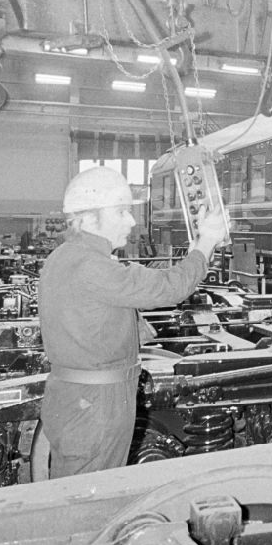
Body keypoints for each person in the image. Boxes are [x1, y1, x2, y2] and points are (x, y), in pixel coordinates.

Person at [39, 166, 228, 478]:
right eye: (121, 211)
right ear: (86, 218)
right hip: (97, 405)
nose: (131, 220)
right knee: (89, 499)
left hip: (79, 398)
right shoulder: (91, 266)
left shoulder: (63, 258)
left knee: (78, 488)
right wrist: (206, 242)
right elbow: (170, 288)